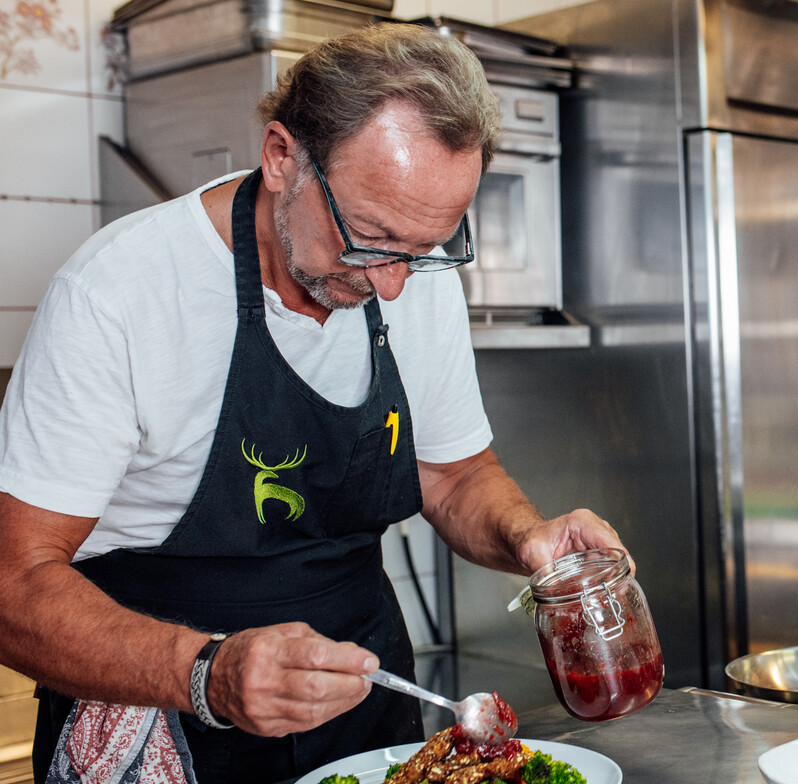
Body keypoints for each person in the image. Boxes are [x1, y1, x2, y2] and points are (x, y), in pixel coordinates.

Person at [0, 23, 624, 784]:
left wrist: (528, 538)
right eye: (370, 238)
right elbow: (12, 583)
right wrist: (209, 673)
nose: (394, 282)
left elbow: (453, 476)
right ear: (281, 157)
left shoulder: (413, 277)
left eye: (425, 250)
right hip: (162, 714)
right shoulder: (119, 293)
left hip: (366, 709)